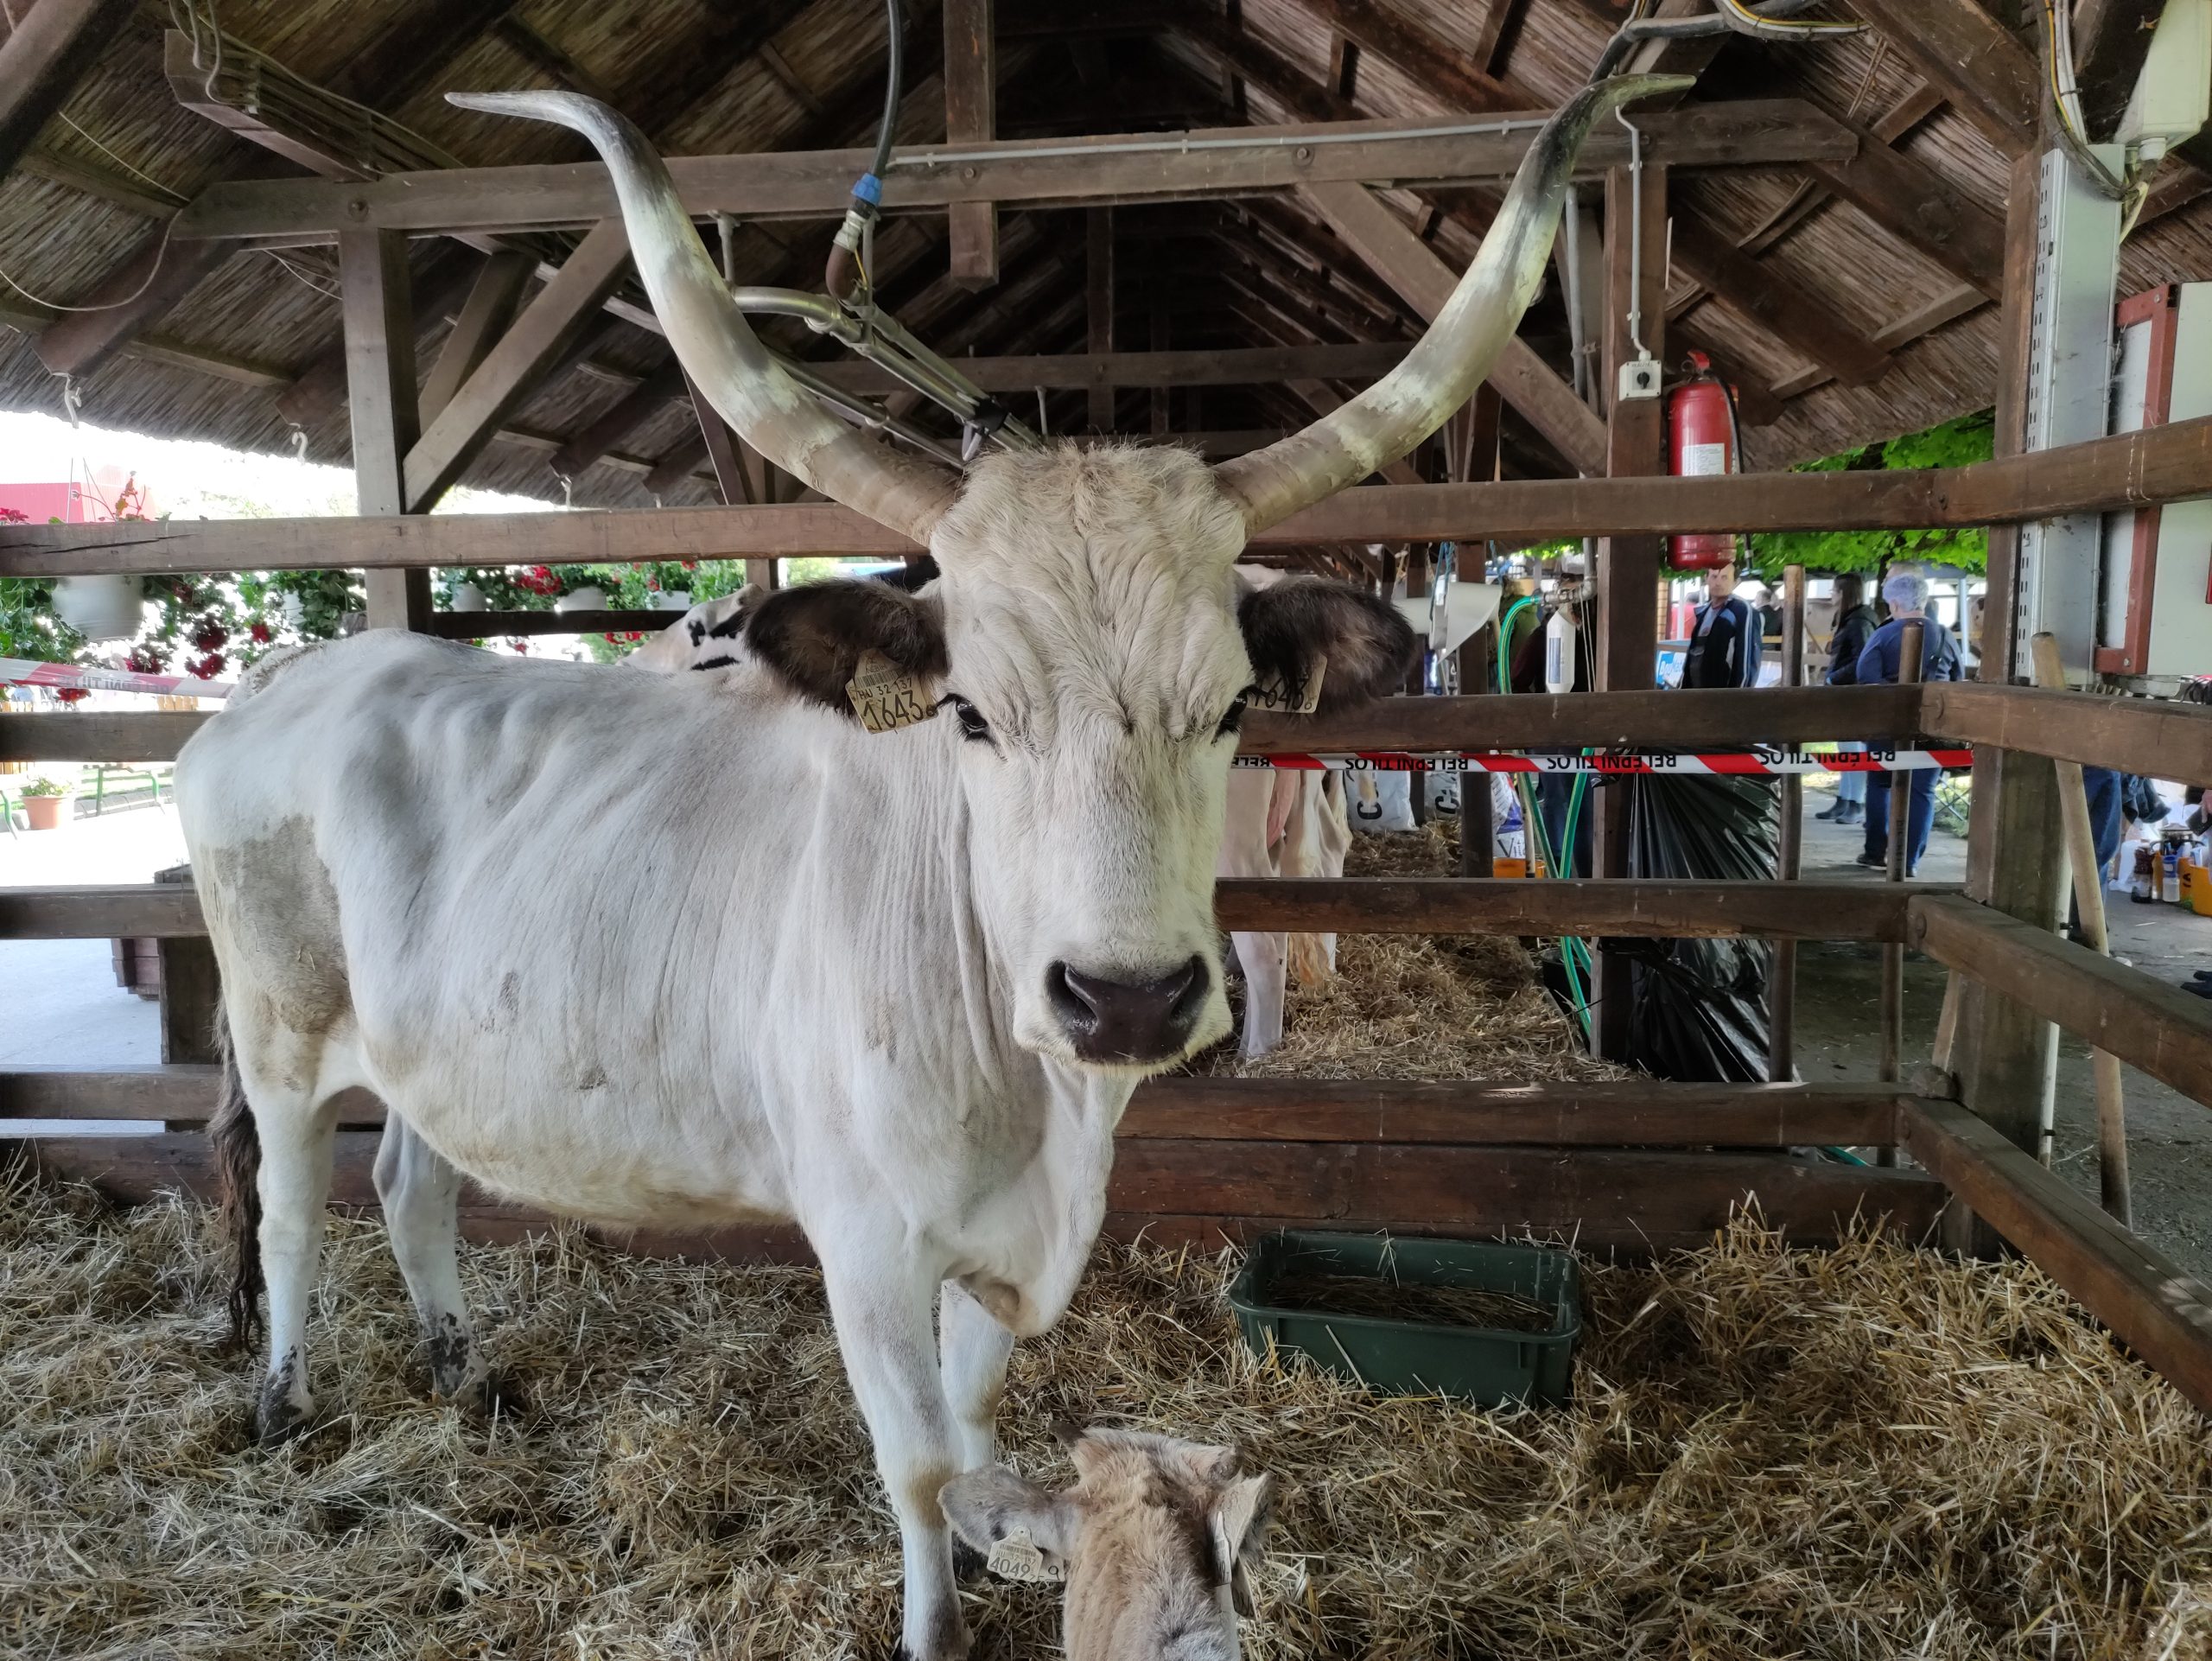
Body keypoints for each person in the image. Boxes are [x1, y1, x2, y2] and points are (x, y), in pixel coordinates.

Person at [1854, 571, 1963, 875]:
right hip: (1933, 728)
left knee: (1879, 784)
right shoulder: (1944, 635)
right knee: (1922, 792)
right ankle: (1908, 860)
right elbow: (1957, 680)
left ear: (1893, 604)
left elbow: (1866, 676)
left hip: (1887, 725)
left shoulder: (1883, 634)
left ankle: (1875, 851)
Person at [1815, 574, 1880, 826]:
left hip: (1851, 694)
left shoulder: (1858, 621)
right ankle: (1845, 798)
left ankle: (1856, 801)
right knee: (1846, 748)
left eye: (1834, 591)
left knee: (1853, 749)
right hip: (1845, 693)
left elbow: (1861, 660)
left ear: (1844, 593)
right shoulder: (1854, 620)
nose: (1831, 595)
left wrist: (1834, 678)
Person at [1681, 561, 1762, 689]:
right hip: (1697, 696)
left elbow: (1747, 658)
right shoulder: (1703, 613)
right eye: (1714, 576)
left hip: (1724, 698)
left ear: (1736, 582)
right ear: (1706, 578)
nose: (1718, 582)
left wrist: (1739, 696)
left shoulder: (1742, 610)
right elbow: (1692, 655)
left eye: (1725, 577)